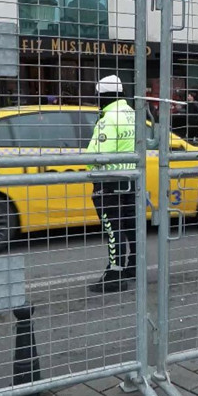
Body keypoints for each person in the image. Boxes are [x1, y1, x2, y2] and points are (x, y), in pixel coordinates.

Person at [85, 75, 137, 294]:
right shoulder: (133, 113)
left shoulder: (108, 118)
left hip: (109, 181)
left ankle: (114, 274)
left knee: (112, 228)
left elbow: (98, 154)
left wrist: (88, 168)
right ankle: (133, 266)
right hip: (131, 178)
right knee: (130, 224)